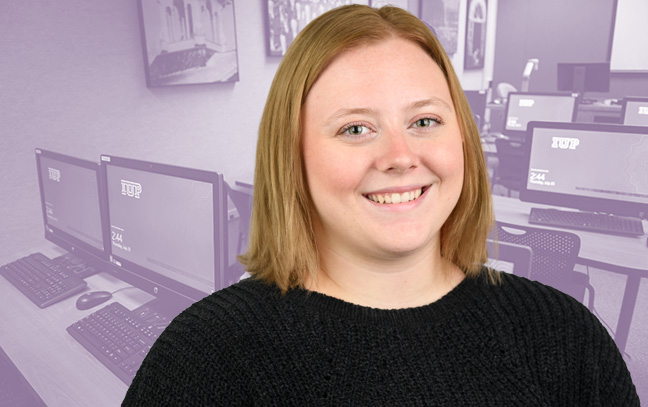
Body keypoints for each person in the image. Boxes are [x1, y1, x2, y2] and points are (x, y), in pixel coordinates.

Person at [122, 5, 639, 406]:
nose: (399, 156)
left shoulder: (564, 336)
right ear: (292, 157)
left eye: (425, 121)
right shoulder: (205, 355)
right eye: (355, 129)